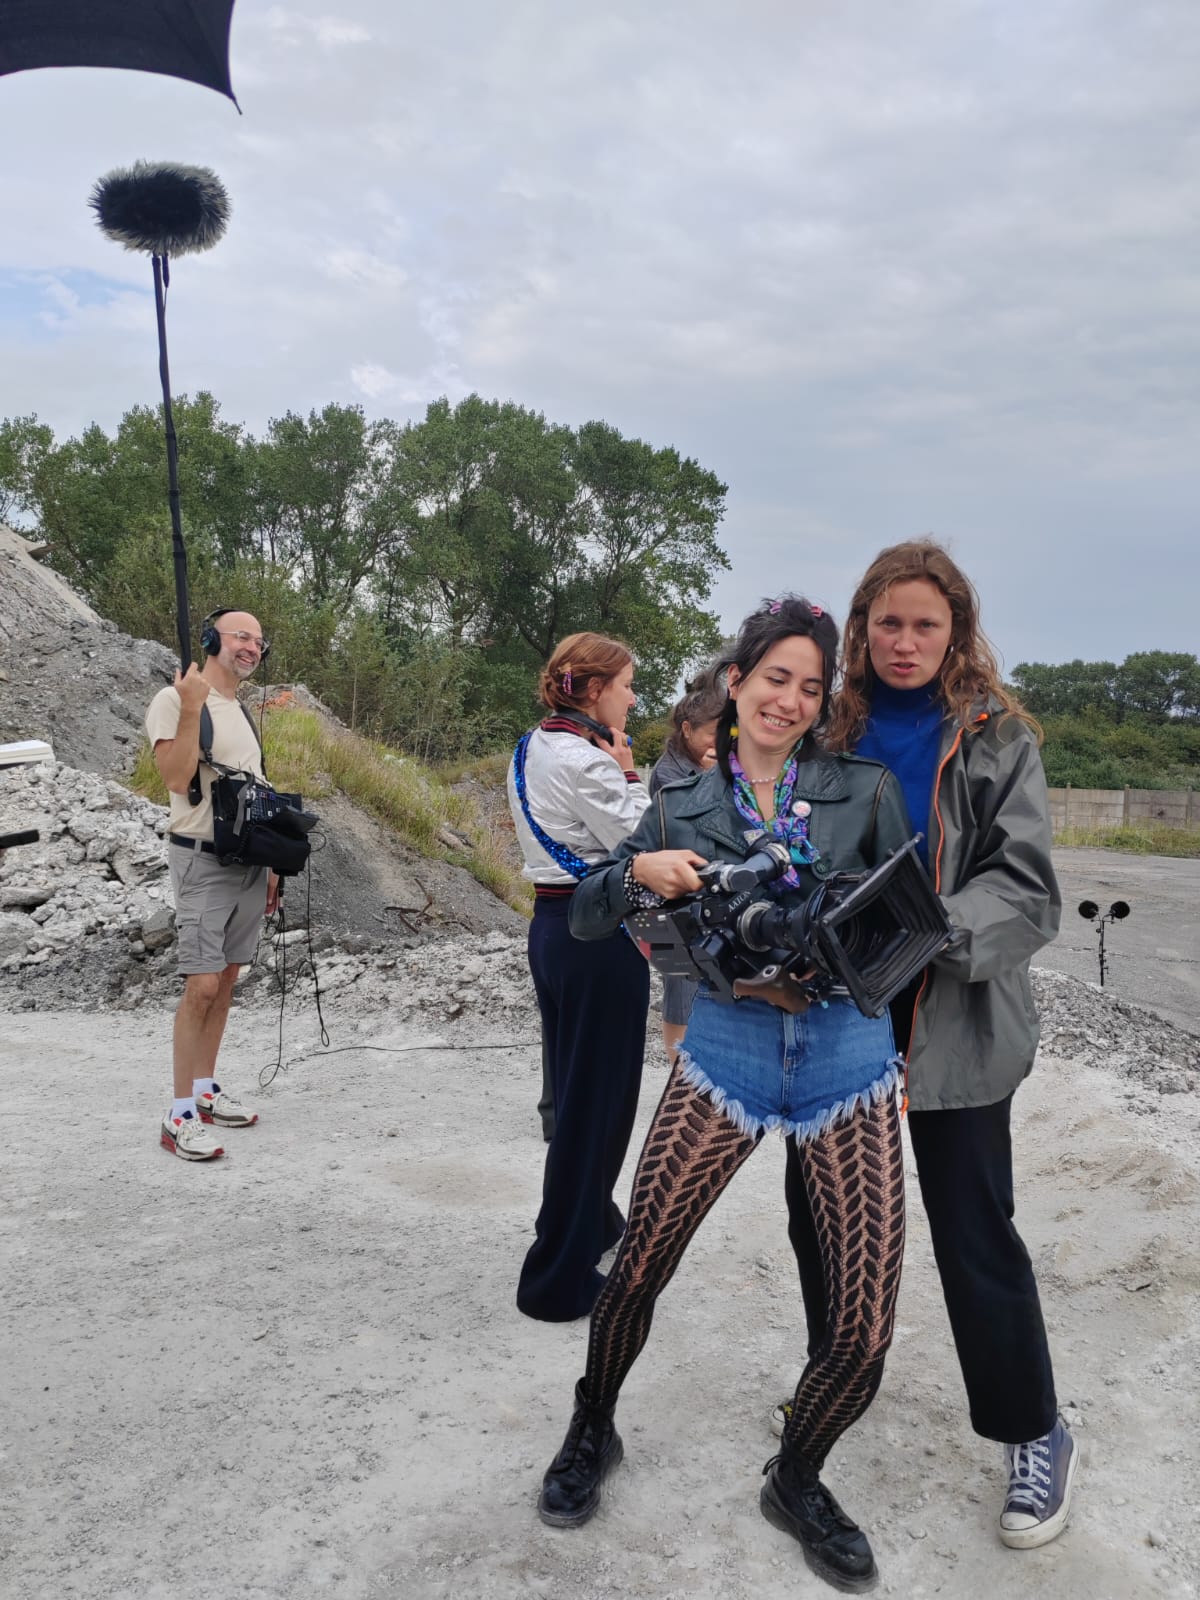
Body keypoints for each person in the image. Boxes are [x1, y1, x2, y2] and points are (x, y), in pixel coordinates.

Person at [536, 597, 914, 1593]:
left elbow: (910, 923)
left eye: (809, 682)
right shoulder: (676, 804)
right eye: (773, 677)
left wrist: (865, 971)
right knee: (635, 1273)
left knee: (866, 1331)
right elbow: (583, 915)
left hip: (847, 1059)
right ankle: (592, 1426)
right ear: (736, 681)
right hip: (731, 1049)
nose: (789, 698)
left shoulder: (866, 790)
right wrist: (640, 873)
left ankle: (796, 1478)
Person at [774, 540, 1076, 1551]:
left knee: (973, 1230)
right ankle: (833, 1388)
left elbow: (1028, 890)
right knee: (824, 1222)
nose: (904, 643)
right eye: (887, 623)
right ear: (860, 628)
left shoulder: (997, 739)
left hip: (952, 1023)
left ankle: (1033, 1428)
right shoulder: (820, 728)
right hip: (833, 1023)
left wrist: (931, 929)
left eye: (925, 625)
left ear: (957, 632)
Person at [507, 632, 651, 1321]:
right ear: (593, 690)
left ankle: (590, 1224)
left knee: (577, 1093)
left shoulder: (532, 745)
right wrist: (627, 772)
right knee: (598, 1107)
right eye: (625, 685)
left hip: (552, 925)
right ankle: (557, 1277)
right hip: (597, 934)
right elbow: (648, 841)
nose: (632, 697)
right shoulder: (588, 764)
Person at [145, 609, 279, 1162]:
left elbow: (257, 790)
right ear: (209, 640)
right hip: (200, 859)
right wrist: (194, 701)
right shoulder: (176, 700)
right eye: (240, 635)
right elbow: (175, 778)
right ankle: (177, 1116)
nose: (252, 646)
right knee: (200, 986)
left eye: (258, 640)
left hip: (247, 863)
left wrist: (271, 866)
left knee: (226, 979)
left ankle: (204, 1091)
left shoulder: (244, 712)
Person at [648, 671, 725, 1065]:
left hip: (701, 901)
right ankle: (679, 1074)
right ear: (686, 729)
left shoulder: (698, 766)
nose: (720, 743)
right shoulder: (669, 775)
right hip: (675, 903)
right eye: (713, 733)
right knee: (680, 988)